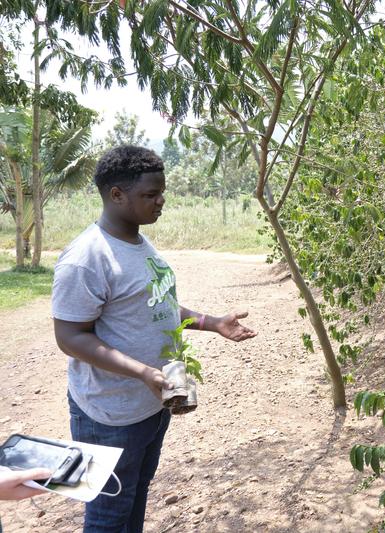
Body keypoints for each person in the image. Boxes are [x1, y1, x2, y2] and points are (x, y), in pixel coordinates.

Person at [51, 145, 257, 533]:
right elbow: (70, 337)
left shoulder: (139, 243)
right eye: (151, 194)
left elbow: (157, 306)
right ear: (117, 195)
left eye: (162, 192)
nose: (161, 201)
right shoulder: (87, 258)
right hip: (106, 414)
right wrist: (142, 371)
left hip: (150, 404)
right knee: (108, 515)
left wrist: (213, 323)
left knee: (135, 499)